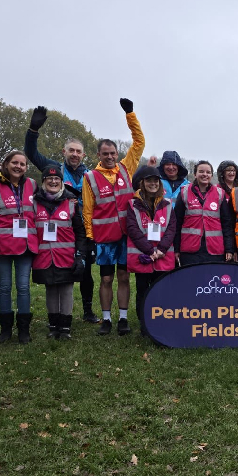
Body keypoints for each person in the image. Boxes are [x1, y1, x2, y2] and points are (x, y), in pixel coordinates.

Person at [24, 105, 100, 323]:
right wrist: (33, 131)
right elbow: (31, 153)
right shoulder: (53, 168)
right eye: (71, 151)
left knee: (85, 271)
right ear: (64, 152)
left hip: (83, 228)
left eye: (78, 151)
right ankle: (56, 315)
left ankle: (87, 311)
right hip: (56, 230)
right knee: (57, 272)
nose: (75, 154)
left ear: (83, 155)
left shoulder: (90, 174)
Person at [82, 98, 145, 336]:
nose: (110, 156)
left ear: (117, 153)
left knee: (123, 277)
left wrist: (130, 115)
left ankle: (123, 318)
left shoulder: (126, 168)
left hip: (126, 237)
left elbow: (139, 142)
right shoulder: (90, 177)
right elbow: (87, 210)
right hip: (105, 239)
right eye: (105, 153)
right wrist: (90, 237)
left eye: (113, 153)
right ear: (99, 154)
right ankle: (106, 319)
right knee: (106, 280)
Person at [0, 151, 38, 343]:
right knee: (3, 287)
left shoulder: (32, 185)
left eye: (22, 164)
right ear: (6, 164)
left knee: (23, 287)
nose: (18, 166)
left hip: (25, 246)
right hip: (1, 246)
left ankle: (24, 330)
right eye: (15, 163)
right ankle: (5, 329)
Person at [32, 165, 88, 340]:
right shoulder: (34, 202)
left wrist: (80, 255)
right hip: (44, 257)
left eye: (57, 179)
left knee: (66, 290)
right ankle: (53, 325)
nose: (53, 181)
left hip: (66, 256)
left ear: (62, 182)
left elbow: (80, 232)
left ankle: (65, 327)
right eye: (49, 179)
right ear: (43, 182)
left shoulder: (71, 202)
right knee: (51, 290)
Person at [125, 165, 177, 337]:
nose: (153, 184)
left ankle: (161, 322)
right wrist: (149, 250)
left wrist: (161, 249)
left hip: (163, 256)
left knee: (162, 291)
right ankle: (144, 324)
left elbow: (171, 228)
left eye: (156, 180)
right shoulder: (133, 204)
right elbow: (132, 229)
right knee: (142, 290)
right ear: (143, 183)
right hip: (143, 256)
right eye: (149, 180)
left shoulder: (168, 204)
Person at [173, 161, 235, 265]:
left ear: (211, 175)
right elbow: (177, 223)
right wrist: (176, 248)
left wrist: (229, 249)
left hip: (214, 249)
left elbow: (227, 224)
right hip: (189, 250)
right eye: (201, 171)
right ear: (195, 174)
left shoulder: (220, 193)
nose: (205, 174)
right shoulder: (184, 192)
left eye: (208, 172)